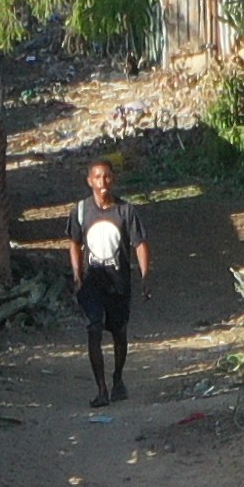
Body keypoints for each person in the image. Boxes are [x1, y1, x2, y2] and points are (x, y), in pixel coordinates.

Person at [70, 154, 150, 411]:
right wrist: (76, 274)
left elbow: (139, 244)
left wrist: (145, 276)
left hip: (118, 283)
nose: (102, 181)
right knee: (93, 328)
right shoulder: (81, 211)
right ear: (89, 181)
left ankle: (117, 379)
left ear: (113, 179)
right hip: (92, 282)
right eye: (97, 177)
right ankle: (101, 388)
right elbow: (74, 243)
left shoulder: (125, 211)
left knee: (119, 332)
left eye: (106, 176)